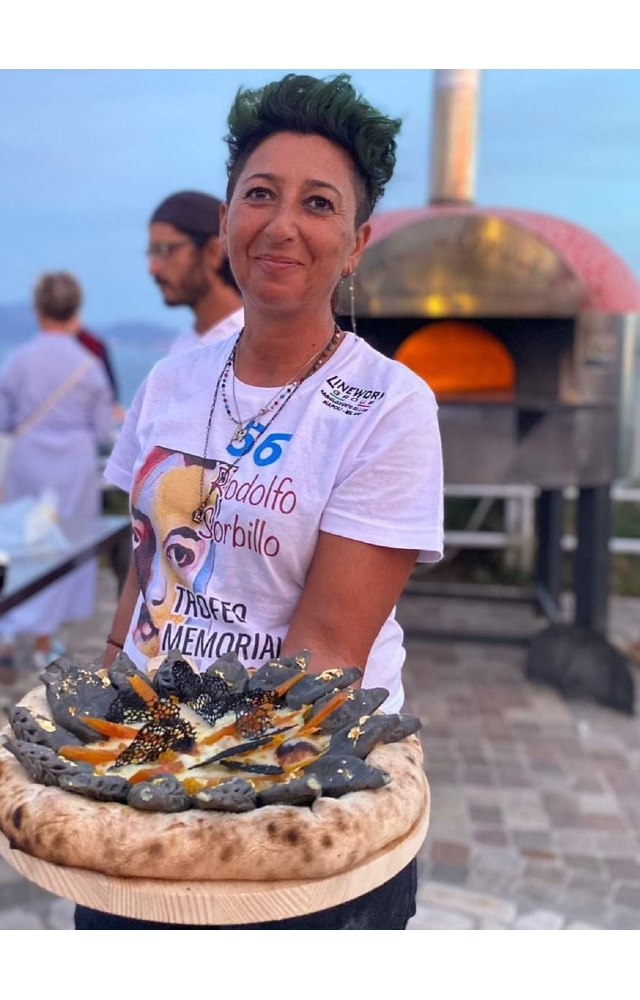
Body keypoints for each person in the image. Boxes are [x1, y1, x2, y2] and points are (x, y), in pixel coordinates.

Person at [81, 73, 444, 931]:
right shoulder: (172, 380)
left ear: (354, 244)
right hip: (147, 765)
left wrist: (180, 789)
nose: (282, 224)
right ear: (225, 223)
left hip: (297, 799)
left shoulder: (388, 406)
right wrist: (106, 716)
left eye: (318, 204)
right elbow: (144, 568)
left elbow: (324, 657)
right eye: (260, 194)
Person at [0, 272, 114, 682]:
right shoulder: (89, 366)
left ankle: (7, 636)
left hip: (27, 460)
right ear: (76, 309)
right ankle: (45, 639)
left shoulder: (16, 359)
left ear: (37, 308)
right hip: (73, 467)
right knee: (60, 549)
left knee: (20, 543)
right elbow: (102, 431)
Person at [148, 190, 244, 355]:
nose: (152, 268)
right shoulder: (182, 349)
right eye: (151, 253)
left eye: (164, 250)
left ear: (213, 251)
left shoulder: (255, 344)